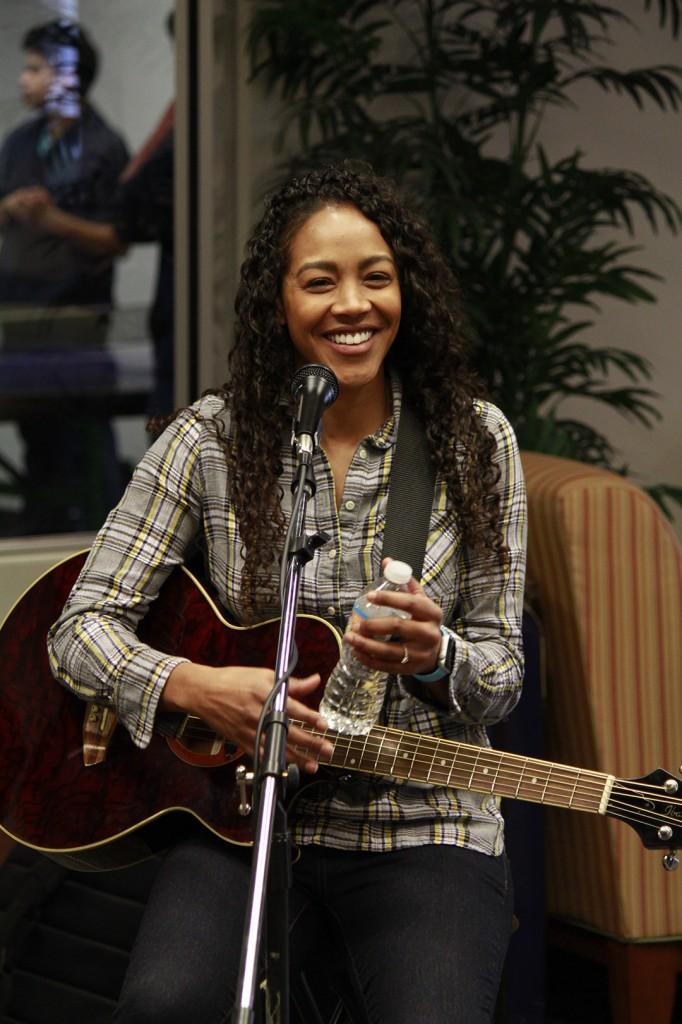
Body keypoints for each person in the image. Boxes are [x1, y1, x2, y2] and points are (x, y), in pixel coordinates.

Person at [47, 163, 527, 1023]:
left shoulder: (475, 441)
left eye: (376, 277)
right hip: (243, 816)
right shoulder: (211, 439)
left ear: (403, 291)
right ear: (280, 305)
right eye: (321, 281)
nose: (353, 304)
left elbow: (501, 676)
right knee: (165, 1006)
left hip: (423, 820)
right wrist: (194, 687)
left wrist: (436, 655)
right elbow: (79, 627)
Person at [0, 18, 129, 533]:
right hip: (18, 310)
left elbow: (117, 238)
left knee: (82, 432)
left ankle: (96, 531)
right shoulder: (19, 142)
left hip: (78, 318)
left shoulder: (103, 146)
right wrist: (12, 209)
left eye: (34, 69)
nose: (22, 80)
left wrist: (52, 220)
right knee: (36, 434)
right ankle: (40, 521)